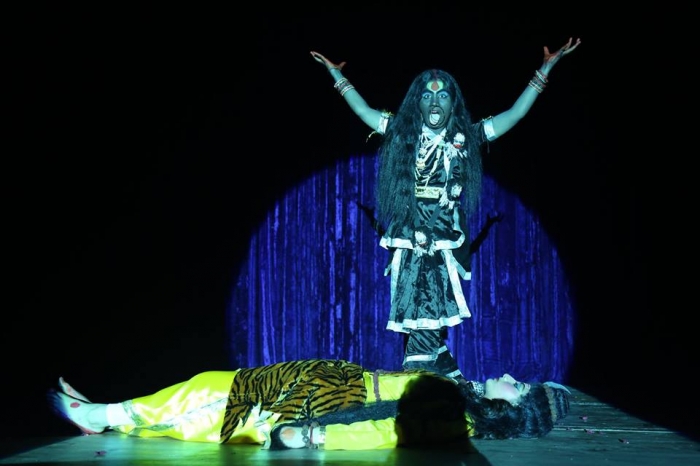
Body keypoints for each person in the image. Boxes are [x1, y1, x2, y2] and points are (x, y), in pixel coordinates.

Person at [310, 37, 581, 382]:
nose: (434, 101)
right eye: (427, 96)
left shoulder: (466, 137)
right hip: (409, 235)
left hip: (441, 235)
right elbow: (364, 112)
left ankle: (424, 382)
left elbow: (514, 114)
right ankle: (442, 382)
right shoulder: (402, 133)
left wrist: (544, 70)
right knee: (418, 308)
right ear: (418, 105)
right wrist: (337, 76)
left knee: (428, 309)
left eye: (442, 96)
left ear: (453, 104)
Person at [48, 358, 570, 450]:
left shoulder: (457, 417)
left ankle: (102, 415)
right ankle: (111, 414)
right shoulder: (463, 397)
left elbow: (387, 430)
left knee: (212, 400)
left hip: (329, 402)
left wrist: (318, 434)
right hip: (331, 383)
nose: (508, 377)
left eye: (518, 386)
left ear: (513, 409)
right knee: (212, 397)